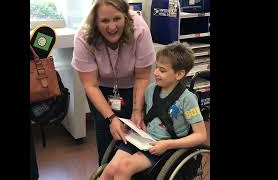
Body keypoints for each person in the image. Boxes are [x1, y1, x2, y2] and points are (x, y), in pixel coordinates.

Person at [99, 42, 207, 180]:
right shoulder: (150, 90)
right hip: (143, 140)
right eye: (156, 68)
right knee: (110, 169)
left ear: (179, 74)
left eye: (162, 70)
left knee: (124, 168)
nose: (155, 73)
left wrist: (168, 144)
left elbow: (201, 136)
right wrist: (138, 123)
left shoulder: (188, 99)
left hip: (165, 148)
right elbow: (147, 115)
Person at [71, 0, 156, 165]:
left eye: (117, 19)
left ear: (125, 16)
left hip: (134, 86)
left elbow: (142, 77)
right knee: (105, 135)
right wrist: (111, 118)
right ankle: (106, 169)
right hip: (99, 89)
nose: (112, 27)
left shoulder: (139, 29)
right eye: (104, 21)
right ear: (95, 21)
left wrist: (137, 111)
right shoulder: (83, 35)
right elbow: (90, 85)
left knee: (136, 133)